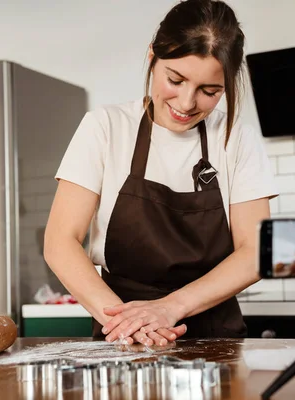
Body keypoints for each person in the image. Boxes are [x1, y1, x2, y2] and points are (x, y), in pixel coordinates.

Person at [44, 0, 278, 347]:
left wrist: (170, 308)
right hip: (121, 330)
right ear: (152, 55)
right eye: (175, 79)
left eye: (209, 91)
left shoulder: (236, 138)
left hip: (214, 337)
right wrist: (128, 324)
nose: (186, 103)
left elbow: (256, 252)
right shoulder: (105, 128)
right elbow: (60, 242)